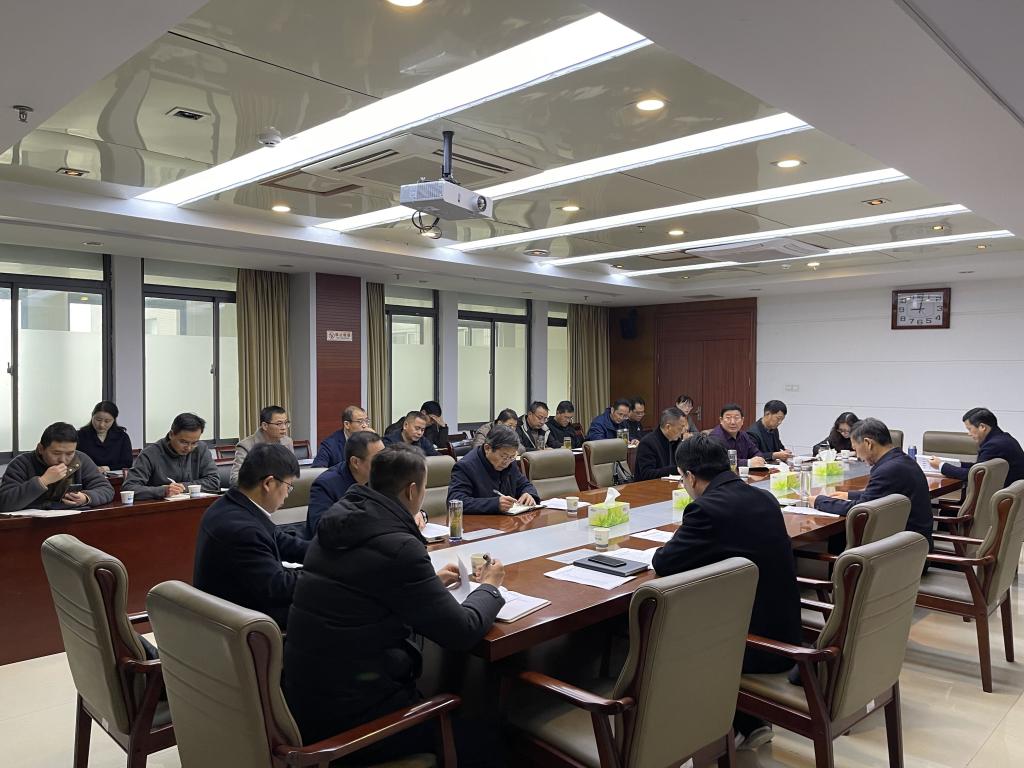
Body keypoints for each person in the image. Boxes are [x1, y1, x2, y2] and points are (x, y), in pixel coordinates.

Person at [284, 444, 506, 765]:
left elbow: (367, 588)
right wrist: (490, 587)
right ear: (412, 490)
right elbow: (462, 631)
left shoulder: (337, 523)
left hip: (307, 699)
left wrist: (427, 583)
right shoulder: (399, 546)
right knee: (491, 738)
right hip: (354, 722)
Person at [652, 434, 801, 750]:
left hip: (753, 645)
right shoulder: (764, 498)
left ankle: (714, 729)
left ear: (690, 476)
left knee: (660, 629)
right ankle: (748, 722)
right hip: (786, 630)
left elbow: (664, 562)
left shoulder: (706, 509)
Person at [192, 444, 309, 629]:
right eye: (289, 487)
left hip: (241, 607)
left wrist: (324, 555)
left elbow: (281, 541)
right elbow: (277, 588)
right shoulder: (242, 530)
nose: (287, 495)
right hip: (244, 624)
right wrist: (324, 573)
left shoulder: (230, 505)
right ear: (269, 483)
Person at [812, 418, 933, 548]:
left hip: (906, 547)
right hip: (913, 540)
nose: (857, 456)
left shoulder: (887, 470)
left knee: (842, 536)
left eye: (855, 449)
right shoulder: (901, 460)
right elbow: (882, 495)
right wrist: (848, 495)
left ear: (868, 443)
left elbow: (861, 510)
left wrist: (819, 501)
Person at [0, 422, 114, 511]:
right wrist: (43, 481)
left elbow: (106, 489)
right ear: (41, 449)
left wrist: (86, 498)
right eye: (56, 453)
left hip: (72, 519)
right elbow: (4, 502)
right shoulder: (22, 463)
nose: (63, 460)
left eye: (69, 453)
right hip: (30, 524)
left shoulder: (81, 459)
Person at [123, 412, 220, 500]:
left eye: (194, 443)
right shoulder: (150, 454)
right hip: (161, 508)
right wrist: (163, 491)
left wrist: (182, 487)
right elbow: (129, 487)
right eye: (184, 442)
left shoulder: (201, 449)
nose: (189, 448)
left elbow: (213, 481)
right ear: (171, 434)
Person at [306, 431, 385, 537]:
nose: (385, 464)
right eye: (378, 459)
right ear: (355, 462)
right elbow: (321, 531)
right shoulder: (325, 485)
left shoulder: (382, 478)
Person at [448, 425, 540, 514]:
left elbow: (524, 484)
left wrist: (529, 494)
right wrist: (494, 504)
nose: (506, 462)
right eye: (503, 456)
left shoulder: (510, 462)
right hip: (477, 522)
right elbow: (455, 501)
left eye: (512, 457)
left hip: (507, 521)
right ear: (487, 448)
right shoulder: (466, 466)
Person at [928, 407, 1024, 487]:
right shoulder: (1003, 438)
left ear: (982, 427)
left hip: (1002, 496)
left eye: (969, 429)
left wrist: (941, 466)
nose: (969, 434)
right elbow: (978, 467)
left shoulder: (993, 445)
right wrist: (955, 464)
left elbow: (974, 475)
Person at [230, 405, 294, 486]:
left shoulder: (287, 442)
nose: (284, 427)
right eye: (279, 424)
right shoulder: (246, 446)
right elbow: (235, 479)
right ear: (265, 426)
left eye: (286, 423)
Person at [76, 401, 134, 472]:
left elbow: (127, 463)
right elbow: (75, 461)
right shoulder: (80, 435)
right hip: (88, 475)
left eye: (107, 421)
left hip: (115, 476)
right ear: (92, 416)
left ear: (114, 420)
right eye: (98, 420)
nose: (101, 425)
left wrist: (107, 468)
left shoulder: (122, 437)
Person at [634, 407, 690, 481]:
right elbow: (647, 474)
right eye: (681, 427)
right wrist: (676, 470)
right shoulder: (647, 443)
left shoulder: (677, 441)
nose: (683, 431)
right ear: (668, 427)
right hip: (648, 486)